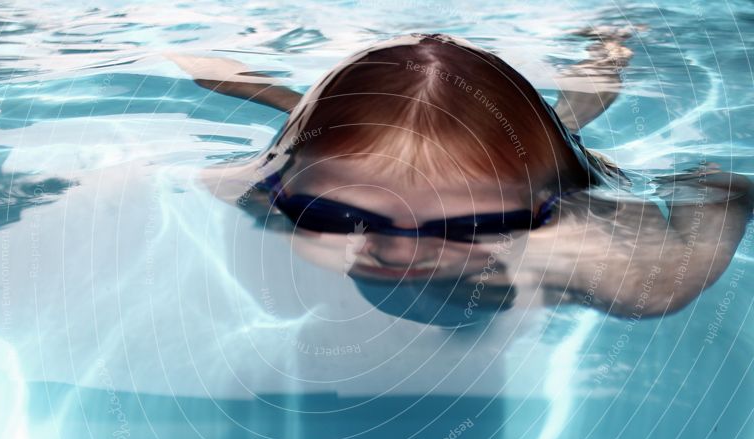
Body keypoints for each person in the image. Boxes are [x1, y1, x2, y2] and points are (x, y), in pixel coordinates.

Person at [169, 30, 753, 324]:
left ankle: (608, 52)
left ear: (541, 214)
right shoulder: (256, 192)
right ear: (283, 192)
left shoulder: (631, 273)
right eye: (338, 215)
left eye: (470, 224)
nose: (397, 252)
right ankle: (243, 77)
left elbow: (725, 189)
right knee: (309, 127)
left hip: (554, 172)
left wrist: (690, 183)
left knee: (568, 125)